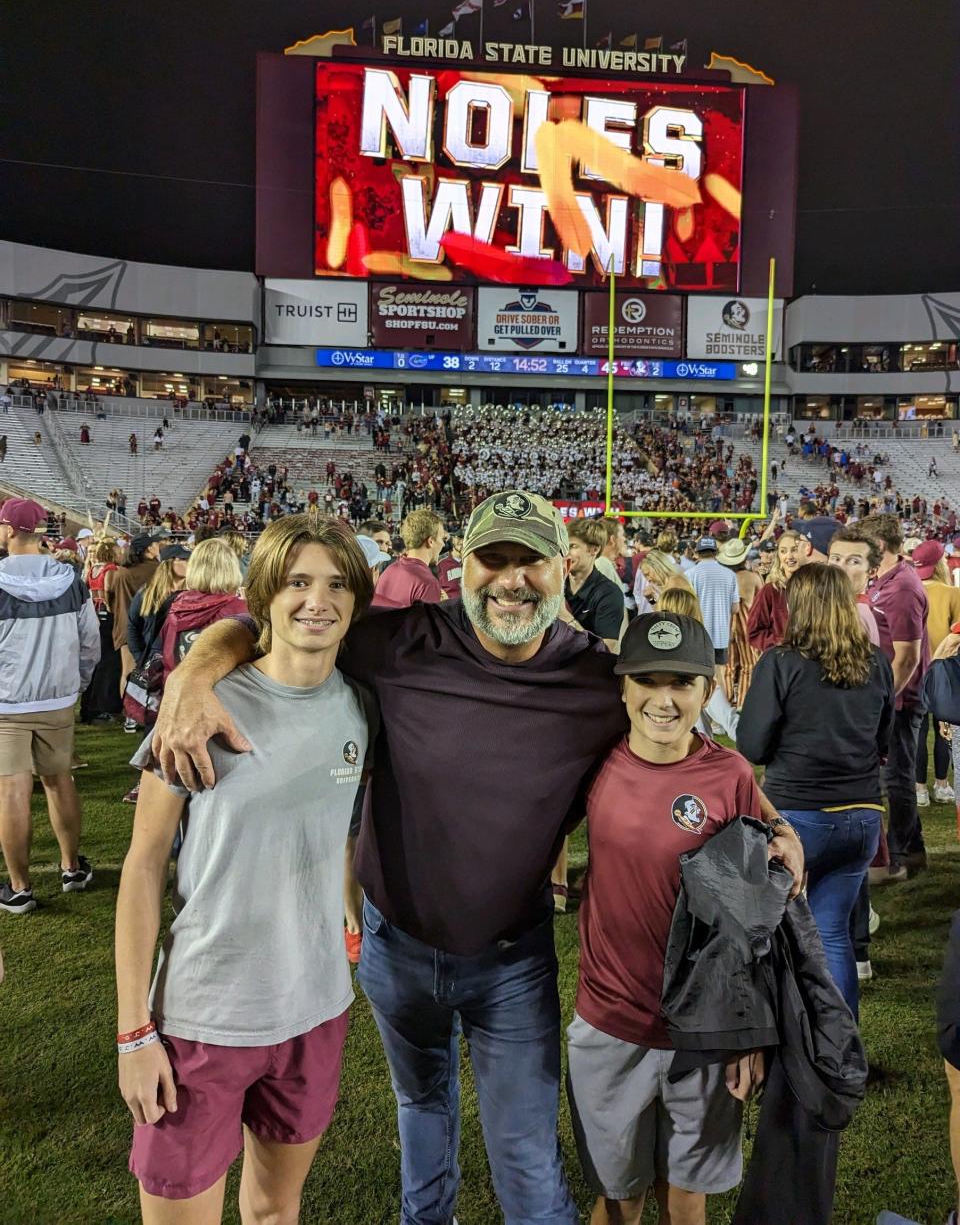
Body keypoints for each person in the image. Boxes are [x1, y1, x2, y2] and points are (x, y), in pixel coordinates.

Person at [150, 489, 804, 1225]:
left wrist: (769, 817)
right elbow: (265, 624)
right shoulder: (399, 640)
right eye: (495, 557)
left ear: (566, 568)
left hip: (510, 958)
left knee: (526, 1158)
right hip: (396, 944)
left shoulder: (597, 677)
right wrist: (194, 671)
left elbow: (685, 740)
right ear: (463, 564)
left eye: (532, 560)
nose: (512, 578)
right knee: (420, 1111)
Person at [115, 515, 373, 1220]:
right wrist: (133, 1030)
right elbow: (141, 869)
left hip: (315, 1007)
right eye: (297, 581)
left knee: (274, 1211)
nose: (316, 600)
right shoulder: (201, 708)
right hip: (204, 1015)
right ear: (263, 593)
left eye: (335, 583)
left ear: (356, 599)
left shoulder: (361, 705)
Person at [568, 612, 769, 1225]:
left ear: (707, 691)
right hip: (611, 1023)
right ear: (623, 688)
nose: (664, 699)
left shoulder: (729, 774)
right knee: (619, 1199)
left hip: (702, 1033)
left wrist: (744, 1034)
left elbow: (747, 915)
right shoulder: (592, 762)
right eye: (647, 681)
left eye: (681, 683)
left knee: (686, 1201)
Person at [738, 564, 894, 1019]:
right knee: (832, 933)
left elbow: (751, 744)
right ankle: (840, 1049)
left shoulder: (782, 662)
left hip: (799, 815)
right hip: (862, 815)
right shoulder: (875, 662)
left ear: (798, 607)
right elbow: (883, 742)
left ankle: (799, 1051)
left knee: (780, 936)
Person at [0, 498, 100, 914]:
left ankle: (20, 888)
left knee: (12, 791)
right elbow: (89, 641)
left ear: (8, 530)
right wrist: (76, 684)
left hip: (7, 704)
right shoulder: (71, 579)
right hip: (57, 699)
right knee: (60, 782)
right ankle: (71, 867)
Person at [860, 513, 931, 880]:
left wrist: (886, 700)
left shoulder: (901, 587)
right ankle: (914, 849)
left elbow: (907, 655)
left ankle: (900, 856)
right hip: (895, 694)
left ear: (880, 547)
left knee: (896, 779)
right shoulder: (889, 581)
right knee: (895, 776)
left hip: (901, 698)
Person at [912, 539, 960, 804]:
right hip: (945, 670)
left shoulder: (910, 590)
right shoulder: (952, 593)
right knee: (945, 729)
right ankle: (941, 785)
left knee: (917, 732)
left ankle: (919, 789)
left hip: (915, 669)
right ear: (941, 562)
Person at [158, 540, 246, 681]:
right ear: (231, 568)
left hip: (177, 689)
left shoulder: (177, 604)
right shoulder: (240, 610)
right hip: (221, 695)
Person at [108, 533, 163, 718]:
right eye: (156, 543)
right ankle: (153, 712)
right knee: (156, 672)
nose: (159, 545)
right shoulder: (158, 570)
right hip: (151, 626)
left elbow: (110, 599)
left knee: (128, 672)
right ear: (149, 548)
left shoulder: (122, 571)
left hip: (124, 626)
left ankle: (130, 716)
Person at [562, 517, 626, 653]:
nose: (565, 553)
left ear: (594, 549)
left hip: (584, 671)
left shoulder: (609, 593)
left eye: (573, 546)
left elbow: (606, 649)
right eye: (564, 546)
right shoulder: (557, 583)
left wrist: (565, 616)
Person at [80, 536, 123, 724]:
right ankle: (102, 705)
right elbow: (107, 592)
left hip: (95, 614)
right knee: (108, 662)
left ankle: (88, 705)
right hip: (107, 615)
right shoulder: (110, 569)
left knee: (97, 661)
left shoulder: (93, 569)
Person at [717, 537, 763, 709]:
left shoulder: (722, 577)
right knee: (749, 664)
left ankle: (726, 704)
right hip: (746, 620)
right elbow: (760, 604)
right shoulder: (753, 577)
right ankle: (744, 703)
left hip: (726, 620)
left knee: (727, 666)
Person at [747, 531, 808, 653]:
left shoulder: (818, 588)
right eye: (783, 551)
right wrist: (782, 644)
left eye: (794, 550)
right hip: (781, 661)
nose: (789, 556)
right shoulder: (770, 591)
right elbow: (753, 632)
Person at [371, 508, 444, 608]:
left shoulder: (389, 570)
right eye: (442, 538)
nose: (443, 544)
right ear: (430, 541)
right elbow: (426, 623)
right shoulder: (427, 583)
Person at [686, 535, 739, 670]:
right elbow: (735, 608)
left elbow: (686, 606)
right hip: (721, 635)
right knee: (719, 675)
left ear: (697, 553)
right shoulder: (730, 574)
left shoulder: (690, 574)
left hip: (697, 635)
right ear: (716, 552)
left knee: (699, 676)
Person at [436, 530, 465, 600]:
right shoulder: (441, 561)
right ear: (453, 539)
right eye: (459, 538)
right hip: (449, 607)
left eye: (465, 539)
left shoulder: (471, 561)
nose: (462, 542)